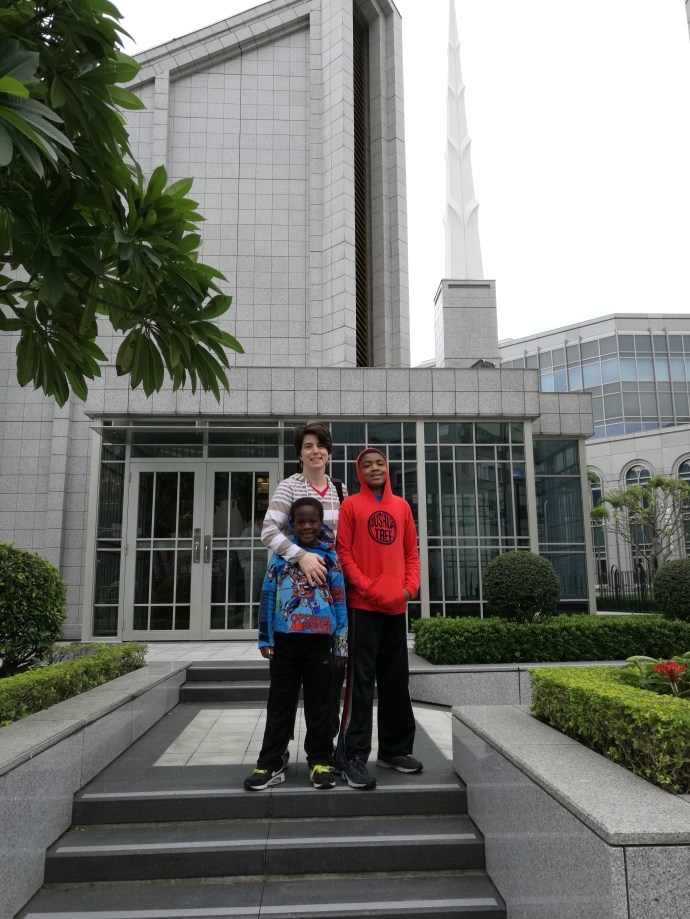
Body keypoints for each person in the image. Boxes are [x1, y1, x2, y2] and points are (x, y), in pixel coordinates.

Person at [244, 497, 347, 791]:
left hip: (320, 645)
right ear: (292, 523)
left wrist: (341, 645)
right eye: (300, 521)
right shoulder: (282, 556)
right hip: (285, 643)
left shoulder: (331, 559)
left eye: (313, 521)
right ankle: (271, 760)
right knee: (280, 703)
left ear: (321, 523)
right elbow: (268, 598)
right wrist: (265, 638)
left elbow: (340, 602)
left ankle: (320, 760)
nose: (307, 526)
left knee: (321, 704)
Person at [336, 448, 422, 790]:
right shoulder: (351, 506)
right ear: (360, 472)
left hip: (395, 608)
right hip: (363, 607)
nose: (375, 469)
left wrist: (408, 591)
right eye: (368, 465)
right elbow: (343, 552)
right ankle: (353, 756)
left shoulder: (401, 507)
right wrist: (368, 588)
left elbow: (411, 553)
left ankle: (395, 749)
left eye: (380, 464)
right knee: (360, 682)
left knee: (395, 679)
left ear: (387, 469)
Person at [261, 421, 348, 738]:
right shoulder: (289, 486)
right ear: (299, 453)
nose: (315, 451)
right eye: (308, 446)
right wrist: (301, 555)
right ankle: (277, 752)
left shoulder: (340, 489)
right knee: (285, 690)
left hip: (330, 598)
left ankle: (327, 749)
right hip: (294, 603)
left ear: (328, 452)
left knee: (331, 684)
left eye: (320, 445)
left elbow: (343, 541)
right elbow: (268, 531)